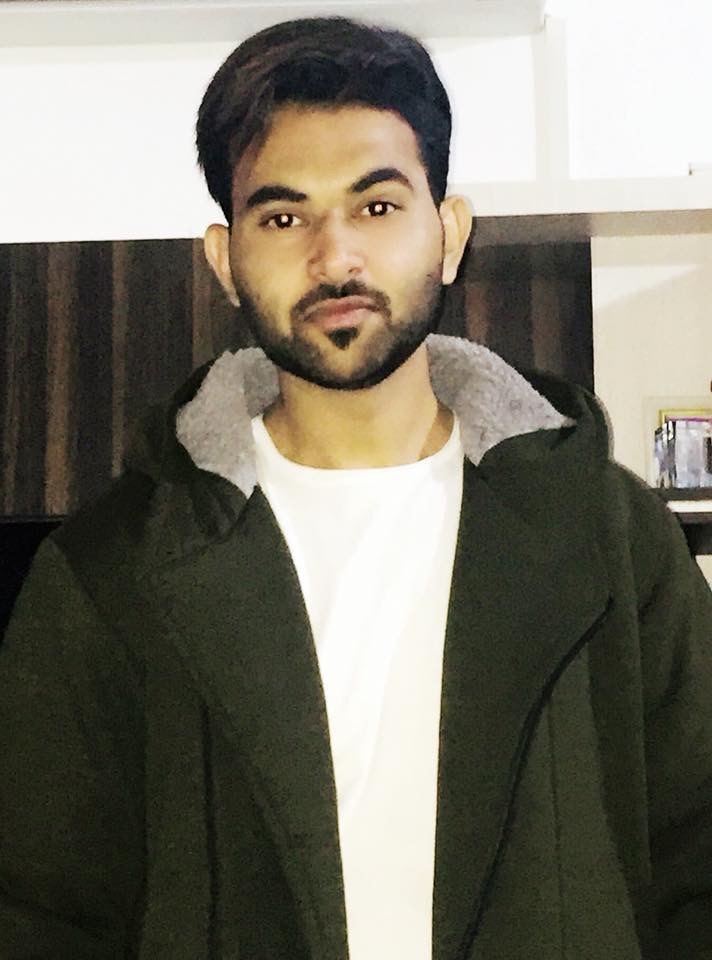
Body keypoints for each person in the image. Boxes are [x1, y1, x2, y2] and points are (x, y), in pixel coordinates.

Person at [1, 15, 711, 960]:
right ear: (223, 259)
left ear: (448, 234)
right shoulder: (107, 574)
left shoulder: (613, 539)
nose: (335, 257)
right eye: (283, 217)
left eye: (376, 207)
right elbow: (41, 912)